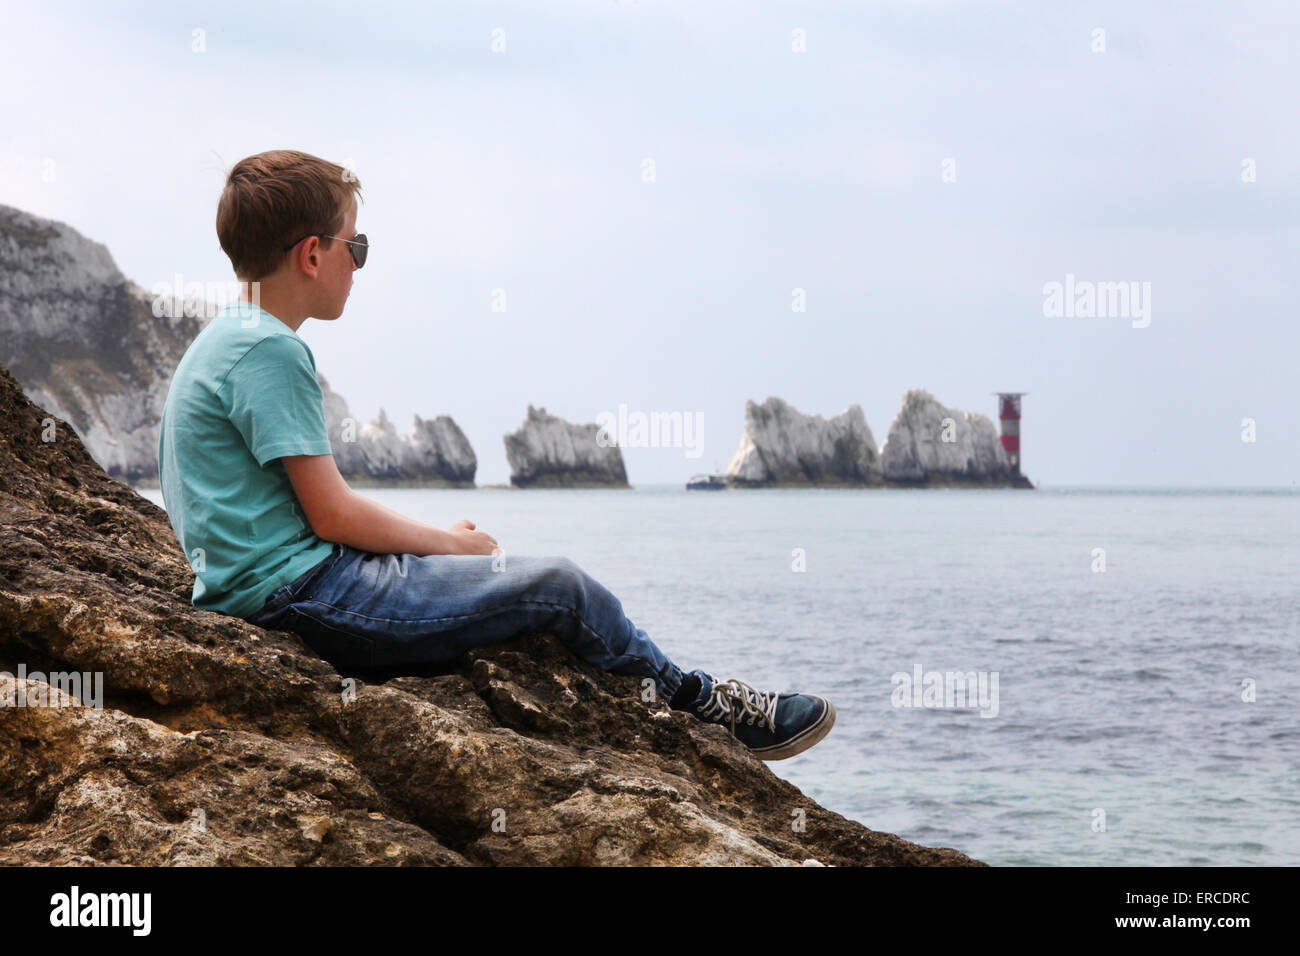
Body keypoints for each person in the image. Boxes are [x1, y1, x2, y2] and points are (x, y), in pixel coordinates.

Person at [157, 149, 835, 761]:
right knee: (561, 586)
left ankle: (692, 696)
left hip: (278, 586)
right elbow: (331, 516)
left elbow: (296, 515)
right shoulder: (273, 351)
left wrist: (429, 546)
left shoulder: (222, 341)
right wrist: (449, 550)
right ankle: (702, 705)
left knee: (505, 572)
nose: (358, 265)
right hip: (302, 596)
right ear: (312, 255)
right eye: (355, 247)